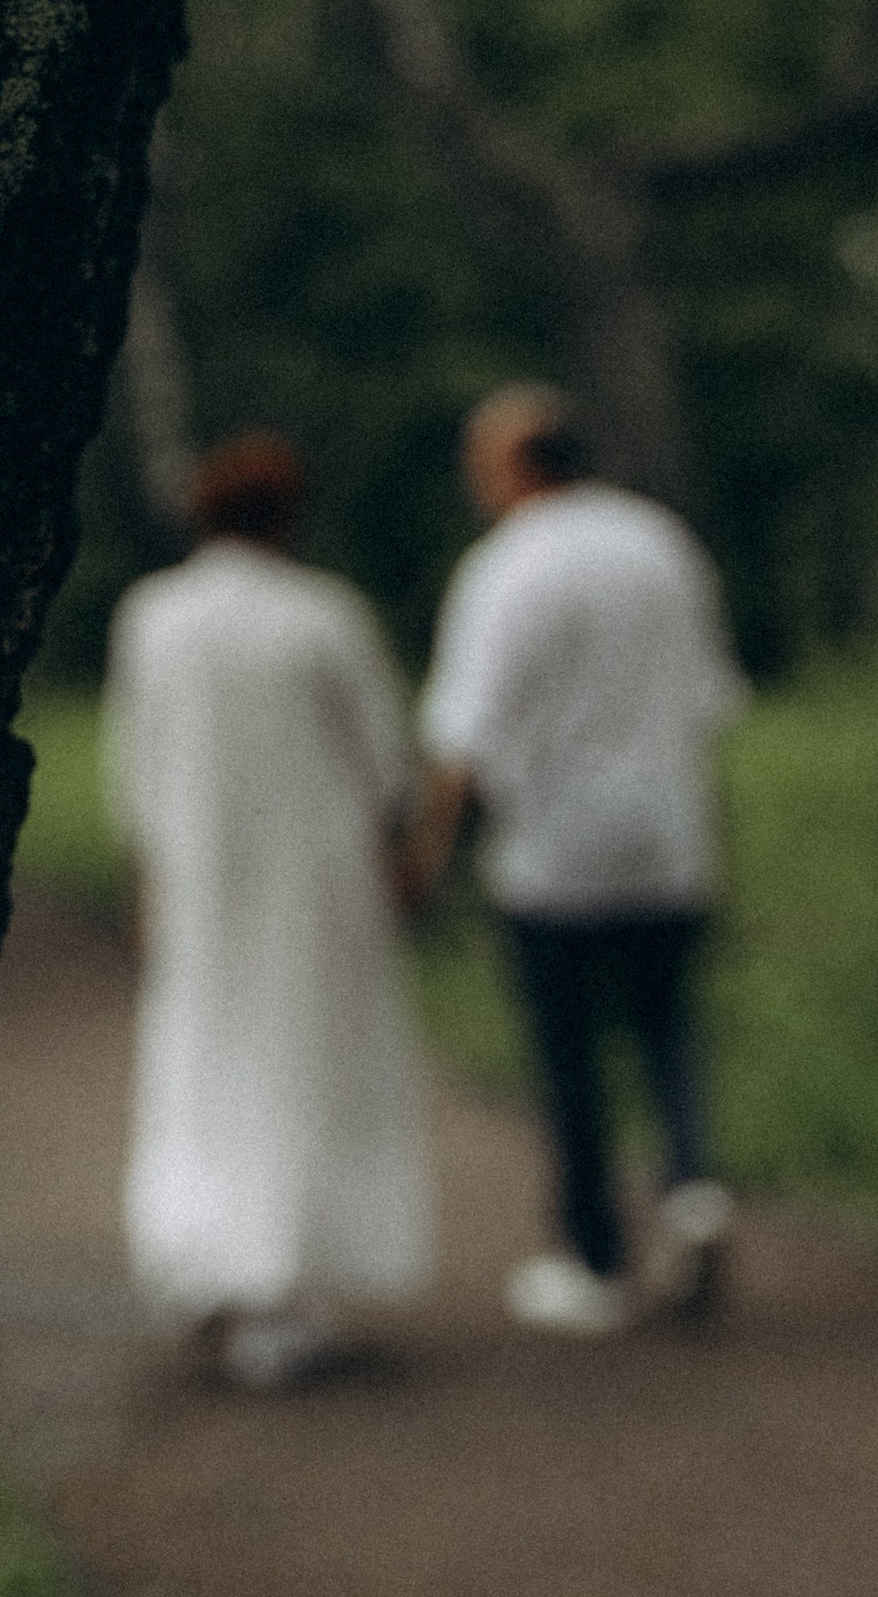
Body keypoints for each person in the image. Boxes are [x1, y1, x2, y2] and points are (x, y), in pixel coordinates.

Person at [409, 383, 747, 1337]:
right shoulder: (659, 543)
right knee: (667, 1025)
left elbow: (464, 737)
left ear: (514, 465)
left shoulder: (504, 569)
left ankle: (595, 1258)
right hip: (669, 838)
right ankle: (690, 1186)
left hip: (553, 854)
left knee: (569, 1058)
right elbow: (709, 699)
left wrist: (430, 857)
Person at [103, 430, 435, 1387]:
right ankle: (276, 1289)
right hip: (315, 889)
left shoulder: (154, 615)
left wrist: (146, 884)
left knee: (205, 1065)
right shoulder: (322, 615)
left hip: (201, 883)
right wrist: (403, 859)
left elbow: (136, 764)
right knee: (303, 1068)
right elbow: (384, 760)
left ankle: (209, 1264)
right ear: (289, 516)